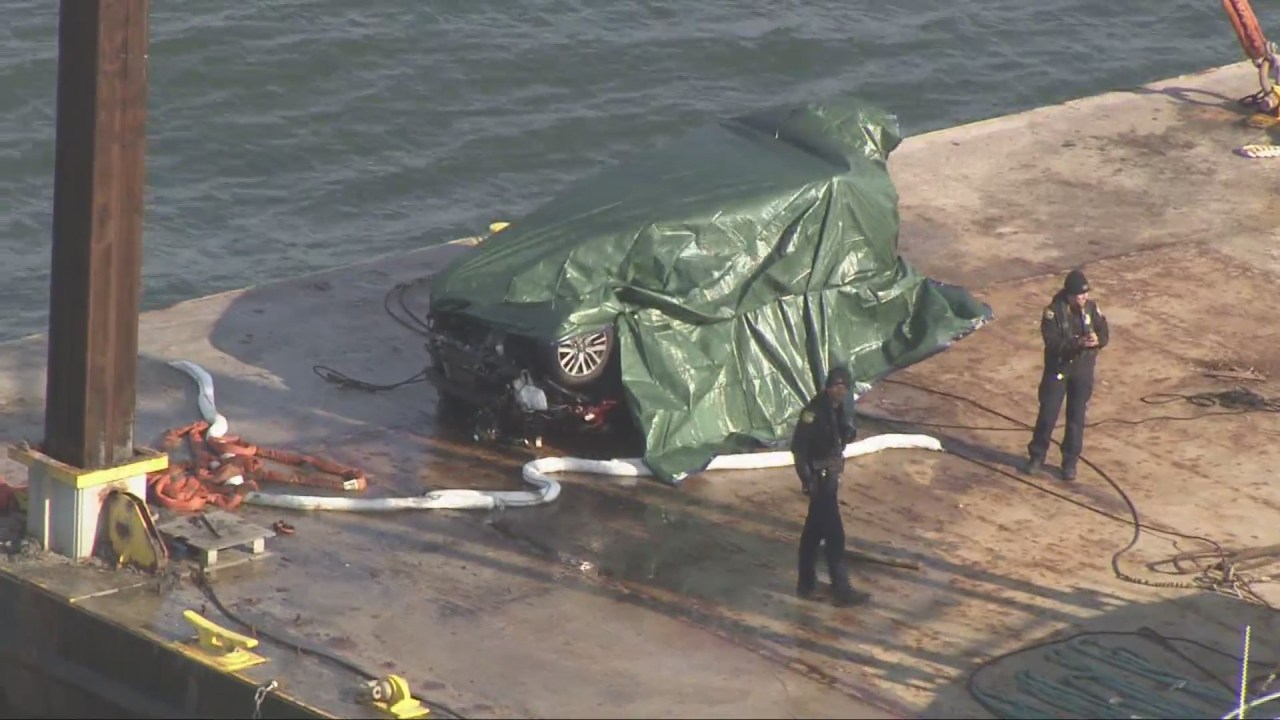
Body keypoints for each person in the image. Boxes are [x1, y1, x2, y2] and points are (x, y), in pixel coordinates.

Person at [790, 367, 871, 607]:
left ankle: (806, 584)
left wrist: (847, 433)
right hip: (820, 480)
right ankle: (841, 589)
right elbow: (799, 449)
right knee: (835, 536)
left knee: (813, 535)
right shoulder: (813, 412)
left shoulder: (838, 411)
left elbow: (840, 439)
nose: (840, 391)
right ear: (828, 387)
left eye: (844, 387)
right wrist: (807, 480)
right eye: (836, 386)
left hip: (830, 479)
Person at [1025, 269, 1110, 481]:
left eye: (1085, 294)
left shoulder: (1091, 309)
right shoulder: (1053, 312)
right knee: (1048, 414)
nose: (1084, 298)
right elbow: (1053, 344)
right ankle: (1037, 456)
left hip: (1082, 371)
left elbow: (1104, 332)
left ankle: (1070, 462)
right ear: (1070, 295)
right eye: (1080, 295)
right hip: (1059, 370)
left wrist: (1097, 340)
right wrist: (1077, 343)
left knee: (1076, 417)